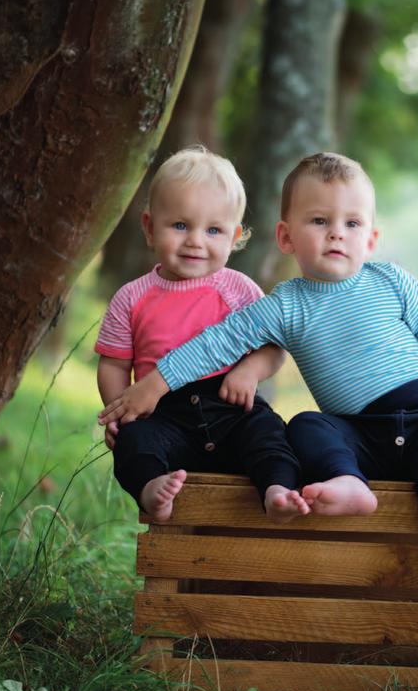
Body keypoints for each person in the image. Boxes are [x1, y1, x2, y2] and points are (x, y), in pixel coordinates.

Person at [99, 152, 418, 613]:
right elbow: (218, 342)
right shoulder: (284, 304)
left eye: (351, 224)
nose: (336, 233)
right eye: (319, 220)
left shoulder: (390, 280)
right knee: (307, 425)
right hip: (358, 428)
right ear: (286, 236)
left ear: (370, 239)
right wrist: (156, 383)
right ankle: (349, 483)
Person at [95, 145, 309, 524]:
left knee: (268, 431)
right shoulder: (132, 297)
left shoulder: (239, 290)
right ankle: (151, 490)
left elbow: (275, 347)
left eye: (213, 230)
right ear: (149, 227)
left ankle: (276, 488)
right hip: (162, 412)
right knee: (134, 443)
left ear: (235, 236)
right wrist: (120, 411)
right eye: (180, 225)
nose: (196, 240)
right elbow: (114, 363)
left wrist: (248, 372)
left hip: (229, 406)